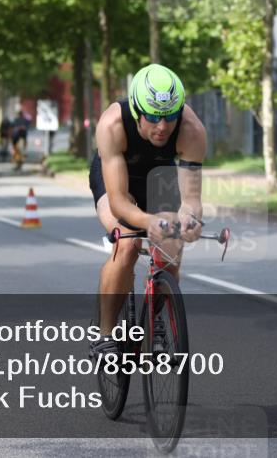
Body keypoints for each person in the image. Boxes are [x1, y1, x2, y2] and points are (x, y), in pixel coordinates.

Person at [88, 63, 206, 356]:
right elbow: (119, 203)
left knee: (170, 250)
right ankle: (104, 333)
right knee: (127, 243)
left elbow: (191, 199)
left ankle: (153, 322)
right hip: (115, 176)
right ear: (138, 110)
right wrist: (149, 221)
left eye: (169, 117)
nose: (162, 126)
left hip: (158, 174)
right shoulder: (112, 124)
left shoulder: (191, 129)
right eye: (153, 117)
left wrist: (190, 220)